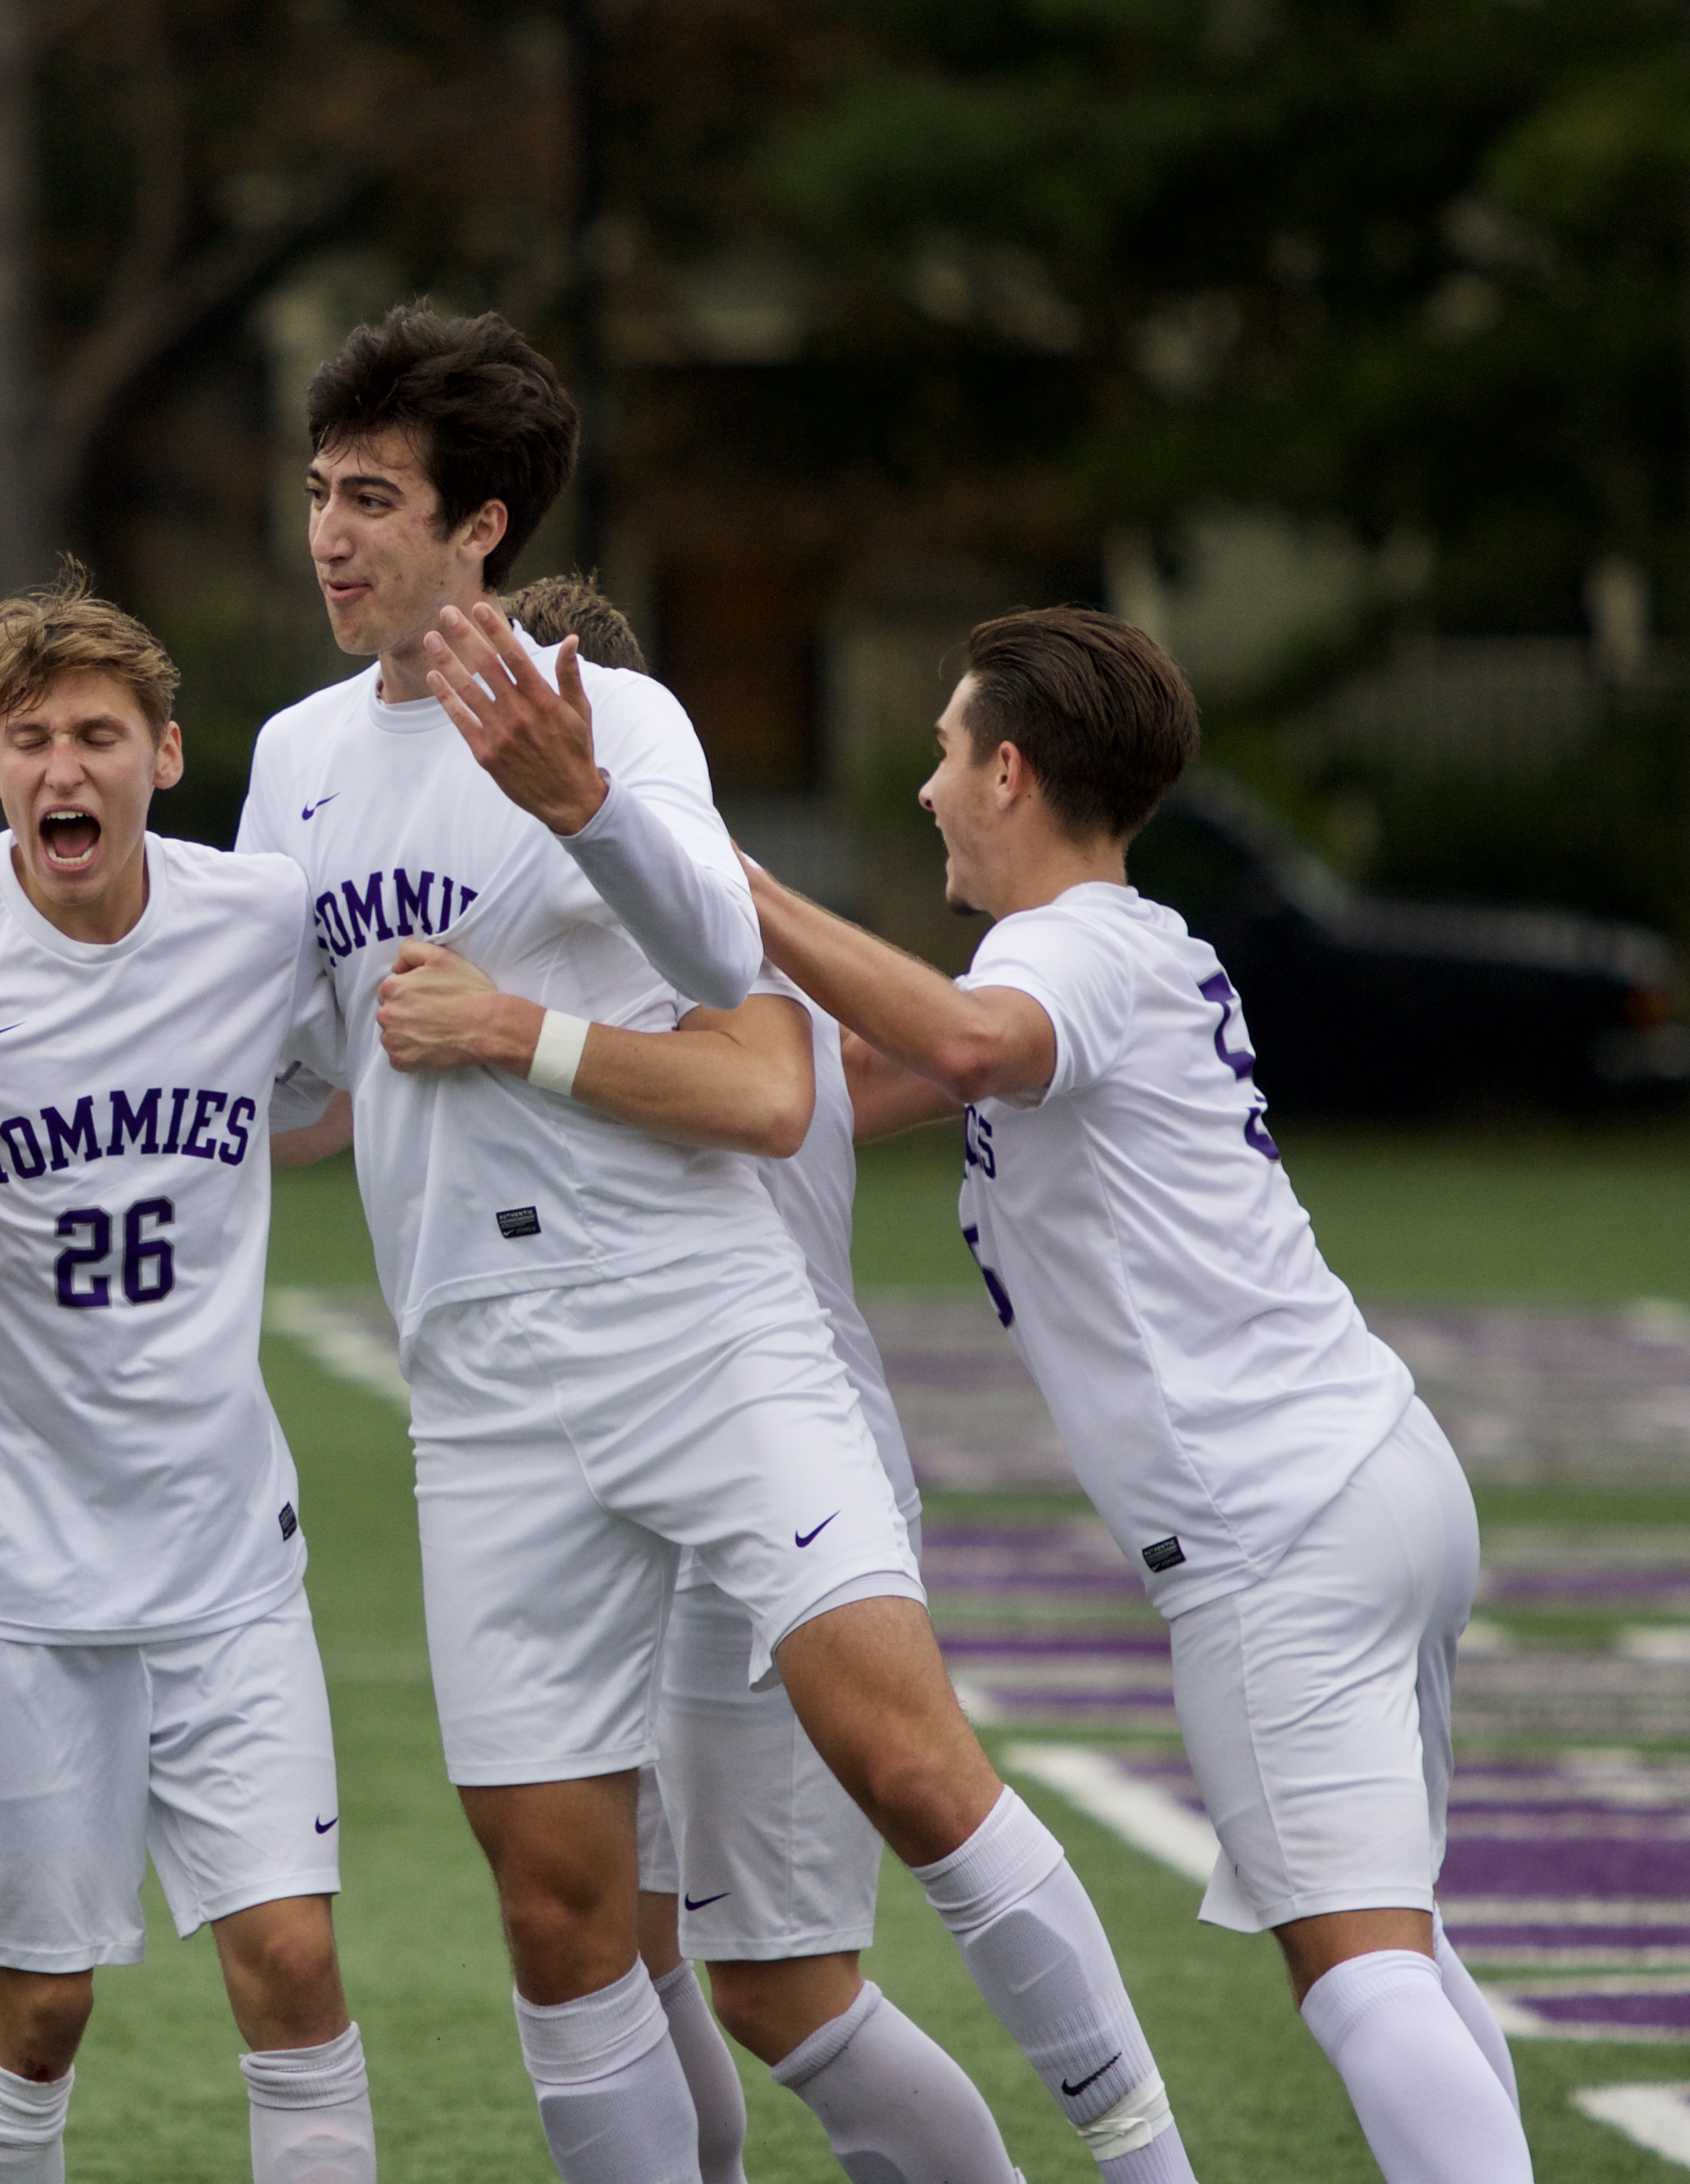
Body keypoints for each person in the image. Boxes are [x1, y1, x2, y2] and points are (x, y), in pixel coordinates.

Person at [242, 303, 1192, 2184]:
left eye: (373, 500)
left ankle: (1149, 2166)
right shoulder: (294, 757)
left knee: (912, 1762)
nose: (329, 535)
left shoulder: (616, 716)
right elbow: (286, 1064)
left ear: (480, 526)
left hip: (694, 1323)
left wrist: (576, 804)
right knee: (556, 1901)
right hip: (480, 1379)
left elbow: (715, 956)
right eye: (321, 491)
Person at [744, 606, 1531, 2184]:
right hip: (1374, 1474)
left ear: (1011, 773)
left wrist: (731, 884)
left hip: (1275, 1530)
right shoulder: (1133, 942)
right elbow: (824, 1083)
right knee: (1396, 1946)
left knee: (1361, 1976)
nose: (927, 789)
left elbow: (962, 1041)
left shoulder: (1060, 953)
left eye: (946, 752)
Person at [358, 574, 1019, 2184]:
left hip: (761, 1444)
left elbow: (786, 1087)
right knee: (620, 1939)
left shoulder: (703, 932)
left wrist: (511, 1026)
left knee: (785, 1985)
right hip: (613, 1455)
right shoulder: (561, 934)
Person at [0, 568, 373, 2184]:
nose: (64, 768)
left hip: (224, 1558)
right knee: (41, 2004)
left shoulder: (257, 922)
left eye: (99, 736)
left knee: (292, 1961)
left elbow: (337, 1077)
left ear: (165, 756)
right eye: (30, 739)